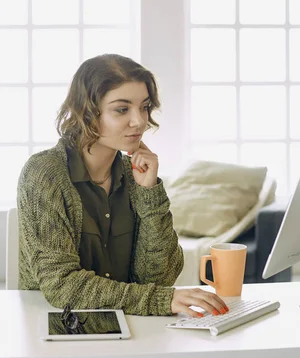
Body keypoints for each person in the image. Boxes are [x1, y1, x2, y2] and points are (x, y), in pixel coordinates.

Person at [17, 54, 228, 317]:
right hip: (55, 323)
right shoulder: (45, 174)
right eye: (121, 109)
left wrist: (150, 194)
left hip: (130, 321)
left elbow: (159, 277)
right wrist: (160, 300)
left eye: (145, 107)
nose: (139, 121)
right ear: (87, 111)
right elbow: (61, 286)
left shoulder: (135, 174)